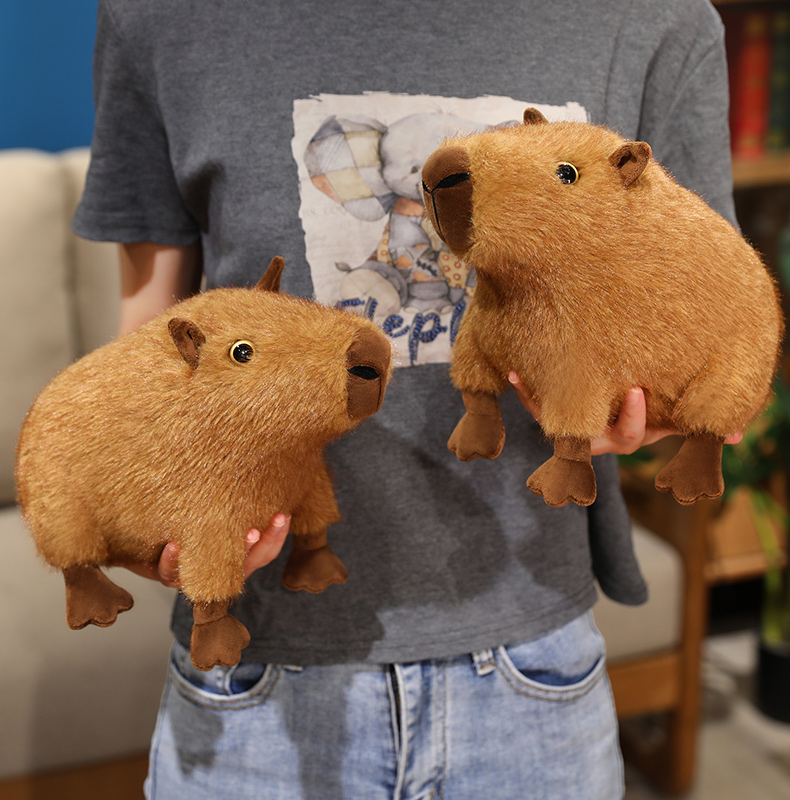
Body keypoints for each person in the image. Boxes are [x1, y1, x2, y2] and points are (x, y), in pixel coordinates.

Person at [72, 1, 738, 797]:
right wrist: (133, 522)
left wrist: (657, 411)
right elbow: (148, 347)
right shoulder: (160, 18)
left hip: (535, 667)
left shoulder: (652, 17)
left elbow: (707, 298)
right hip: (256, 674)